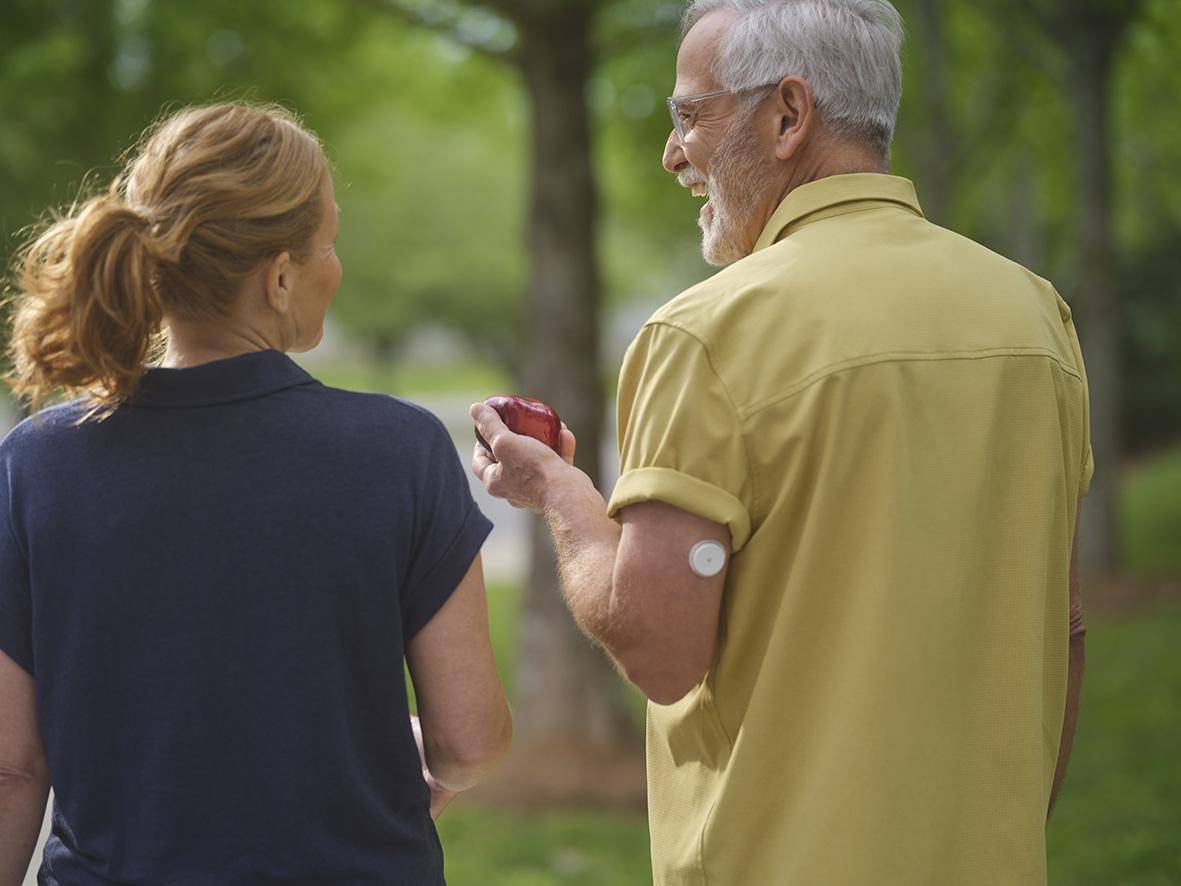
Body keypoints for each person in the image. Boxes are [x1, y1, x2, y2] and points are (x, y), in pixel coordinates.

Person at [470, 1, 1091, 883]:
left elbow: (657, 645)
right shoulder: (1036, 315)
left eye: (689, 115)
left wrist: (558, 495)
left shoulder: (709, 331)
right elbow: (1060, 627)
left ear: (788, 115)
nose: (671, 151)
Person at [0, 102, 511, 885]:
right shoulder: (397, 451)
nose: (336, 268)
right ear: (278, 277)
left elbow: (10, 768)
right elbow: (467, 743)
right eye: (328, 245)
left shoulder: (35, 463)